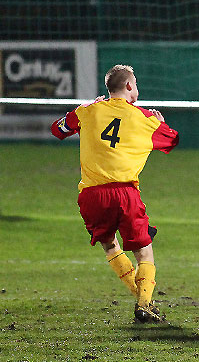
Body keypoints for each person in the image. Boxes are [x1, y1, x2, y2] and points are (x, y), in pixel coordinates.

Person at [50, 64, 179, 323]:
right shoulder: (145, 119)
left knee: (110, 245)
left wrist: (86, 109)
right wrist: (161, 123)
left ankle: (146, 302)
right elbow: (171, 140)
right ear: (129, 86)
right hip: (125, 193)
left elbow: (58, 129)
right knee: (144, 251)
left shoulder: (88, 111)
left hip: (91, 196)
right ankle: (144, 303)